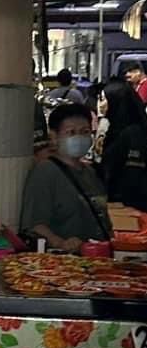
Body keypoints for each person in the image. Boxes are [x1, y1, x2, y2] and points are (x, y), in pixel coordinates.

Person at [20, 103, 111, 251]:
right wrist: (60, 243)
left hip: (97, 258)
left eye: (85, 131)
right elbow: (35, 225)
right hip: (66, 264)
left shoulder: (91, 172)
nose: (79, 137)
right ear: (54, 137)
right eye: (71, 132)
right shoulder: (46, 172)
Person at [100, 78, 147, 211]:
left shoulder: (133, 134)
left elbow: (132, 179)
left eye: (104, 99)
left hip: (129, 210)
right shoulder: (116, 129)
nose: (101, 104)